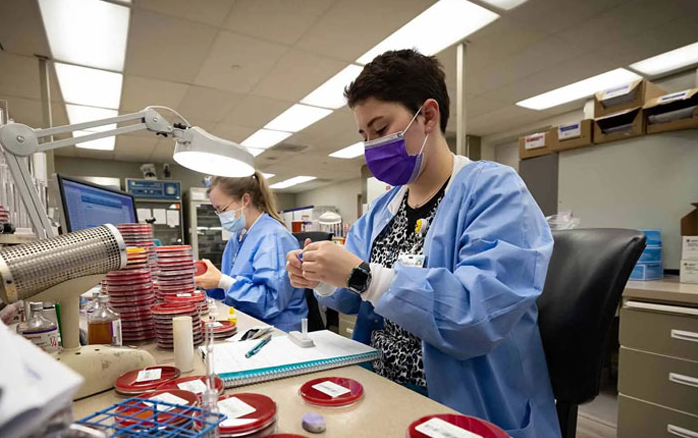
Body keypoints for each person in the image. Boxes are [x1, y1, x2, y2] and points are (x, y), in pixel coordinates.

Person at [286, 49, 560, 438]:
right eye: (364, 136)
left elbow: (475, 316)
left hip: (460, 405)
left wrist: (366, 277)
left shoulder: (495, 191)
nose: (371, 147)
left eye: (380, 130)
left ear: (428, 116)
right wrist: (321, 276)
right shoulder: (383, 208)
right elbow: (349, 298)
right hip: (380, 390)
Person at [193, 172, 307, 332]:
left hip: (278, 332)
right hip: (247, 324)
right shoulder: (238, 238)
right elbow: (230, 292)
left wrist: (222, 281)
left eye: (222, 209)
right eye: (216, 211)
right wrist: (205, 281)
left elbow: (271, 302)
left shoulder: (273, 237)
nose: (220, 216)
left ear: (245, 200)